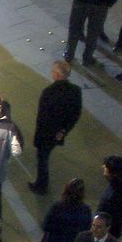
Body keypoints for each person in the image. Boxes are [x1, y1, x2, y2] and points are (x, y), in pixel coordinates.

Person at [29, 61, 82, 195]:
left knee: (42, 159)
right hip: (59, 133)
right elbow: (75, 114)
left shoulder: (48, 92)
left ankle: (41, 186)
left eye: (53, 71)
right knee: (44, 156)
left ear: (57, 75)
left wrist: (38, 137)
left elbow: (42, 117)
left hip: (46, 133)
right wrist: (63, 131)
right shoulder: (76, 91)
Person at [99, 154, 122, 240]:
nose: (103, 167)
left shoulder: (116, 194)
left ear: (113, 173)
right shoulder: (118, 185)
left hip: (105, 233)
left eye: (106, 167)